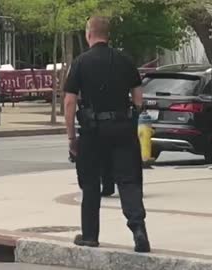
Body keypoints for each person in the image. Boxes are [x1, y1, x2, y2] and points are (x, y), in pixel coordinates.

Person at [64, 16, 150, 253]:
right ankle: (139, 230)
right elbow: (138, 95)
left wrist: (72, 138)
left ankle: (90, 235)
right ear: (107, 35)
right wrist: (133, 117)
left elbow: (70, 103)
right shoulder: (124, 60)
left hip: (93, 131)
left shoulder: (80, 63)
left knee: (91, 183)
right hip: (122, 128)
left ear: (89, 34)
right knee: (128, 181)